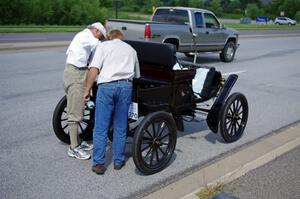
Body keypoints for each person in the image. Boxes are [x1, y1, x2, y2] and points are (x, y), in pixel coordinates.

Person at [83, 29, 140, 174]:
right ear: (121, 38)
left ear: (109, 37)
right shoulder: (131, 50)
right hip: (126, 86)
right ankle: (118, 161)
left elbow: (94, 69)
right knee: (120, 125)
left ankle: (99, 163)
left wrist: (87, 90)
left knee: (101, 127)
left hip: (107, 87)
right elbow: (137, 75)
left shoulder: (103, 46)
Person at [64, 22, 107, 160]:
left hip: (79, 71)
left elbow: (94, 55)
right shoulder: (85, 36)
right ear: (95, 30)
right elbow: (99, 47)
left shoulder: (87, 38)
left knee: (79, 107)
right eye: (100, 35)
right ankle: (73, 148)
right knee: (75, 113)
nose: (100, 38)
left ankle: (77, 142)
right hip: (76, 73)